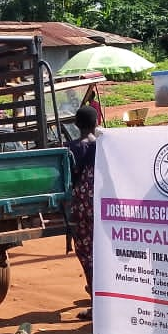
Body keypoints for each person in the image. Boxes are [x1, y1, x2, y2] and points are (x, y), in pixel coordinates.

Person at [67, 106, 99, 302]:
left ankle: (95, 295)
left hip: (81, 206)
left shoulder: (71, 148)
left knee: (86, 251)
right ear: (96, 123)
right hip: (102, 204)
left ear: (76, 125)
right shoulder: (102, 144)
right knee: (102, 250)